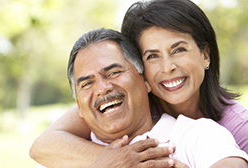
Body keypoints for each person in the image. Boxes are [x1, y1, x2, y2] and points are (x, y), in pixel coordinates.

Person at [30, 0, 248, 167]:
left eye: (178, 50)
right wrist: (116, 161)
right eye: (153, 56)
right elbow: (43, 145)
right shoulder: (109, 106)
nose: (167, 67)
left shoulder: (219, 130)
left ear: (205, 56)